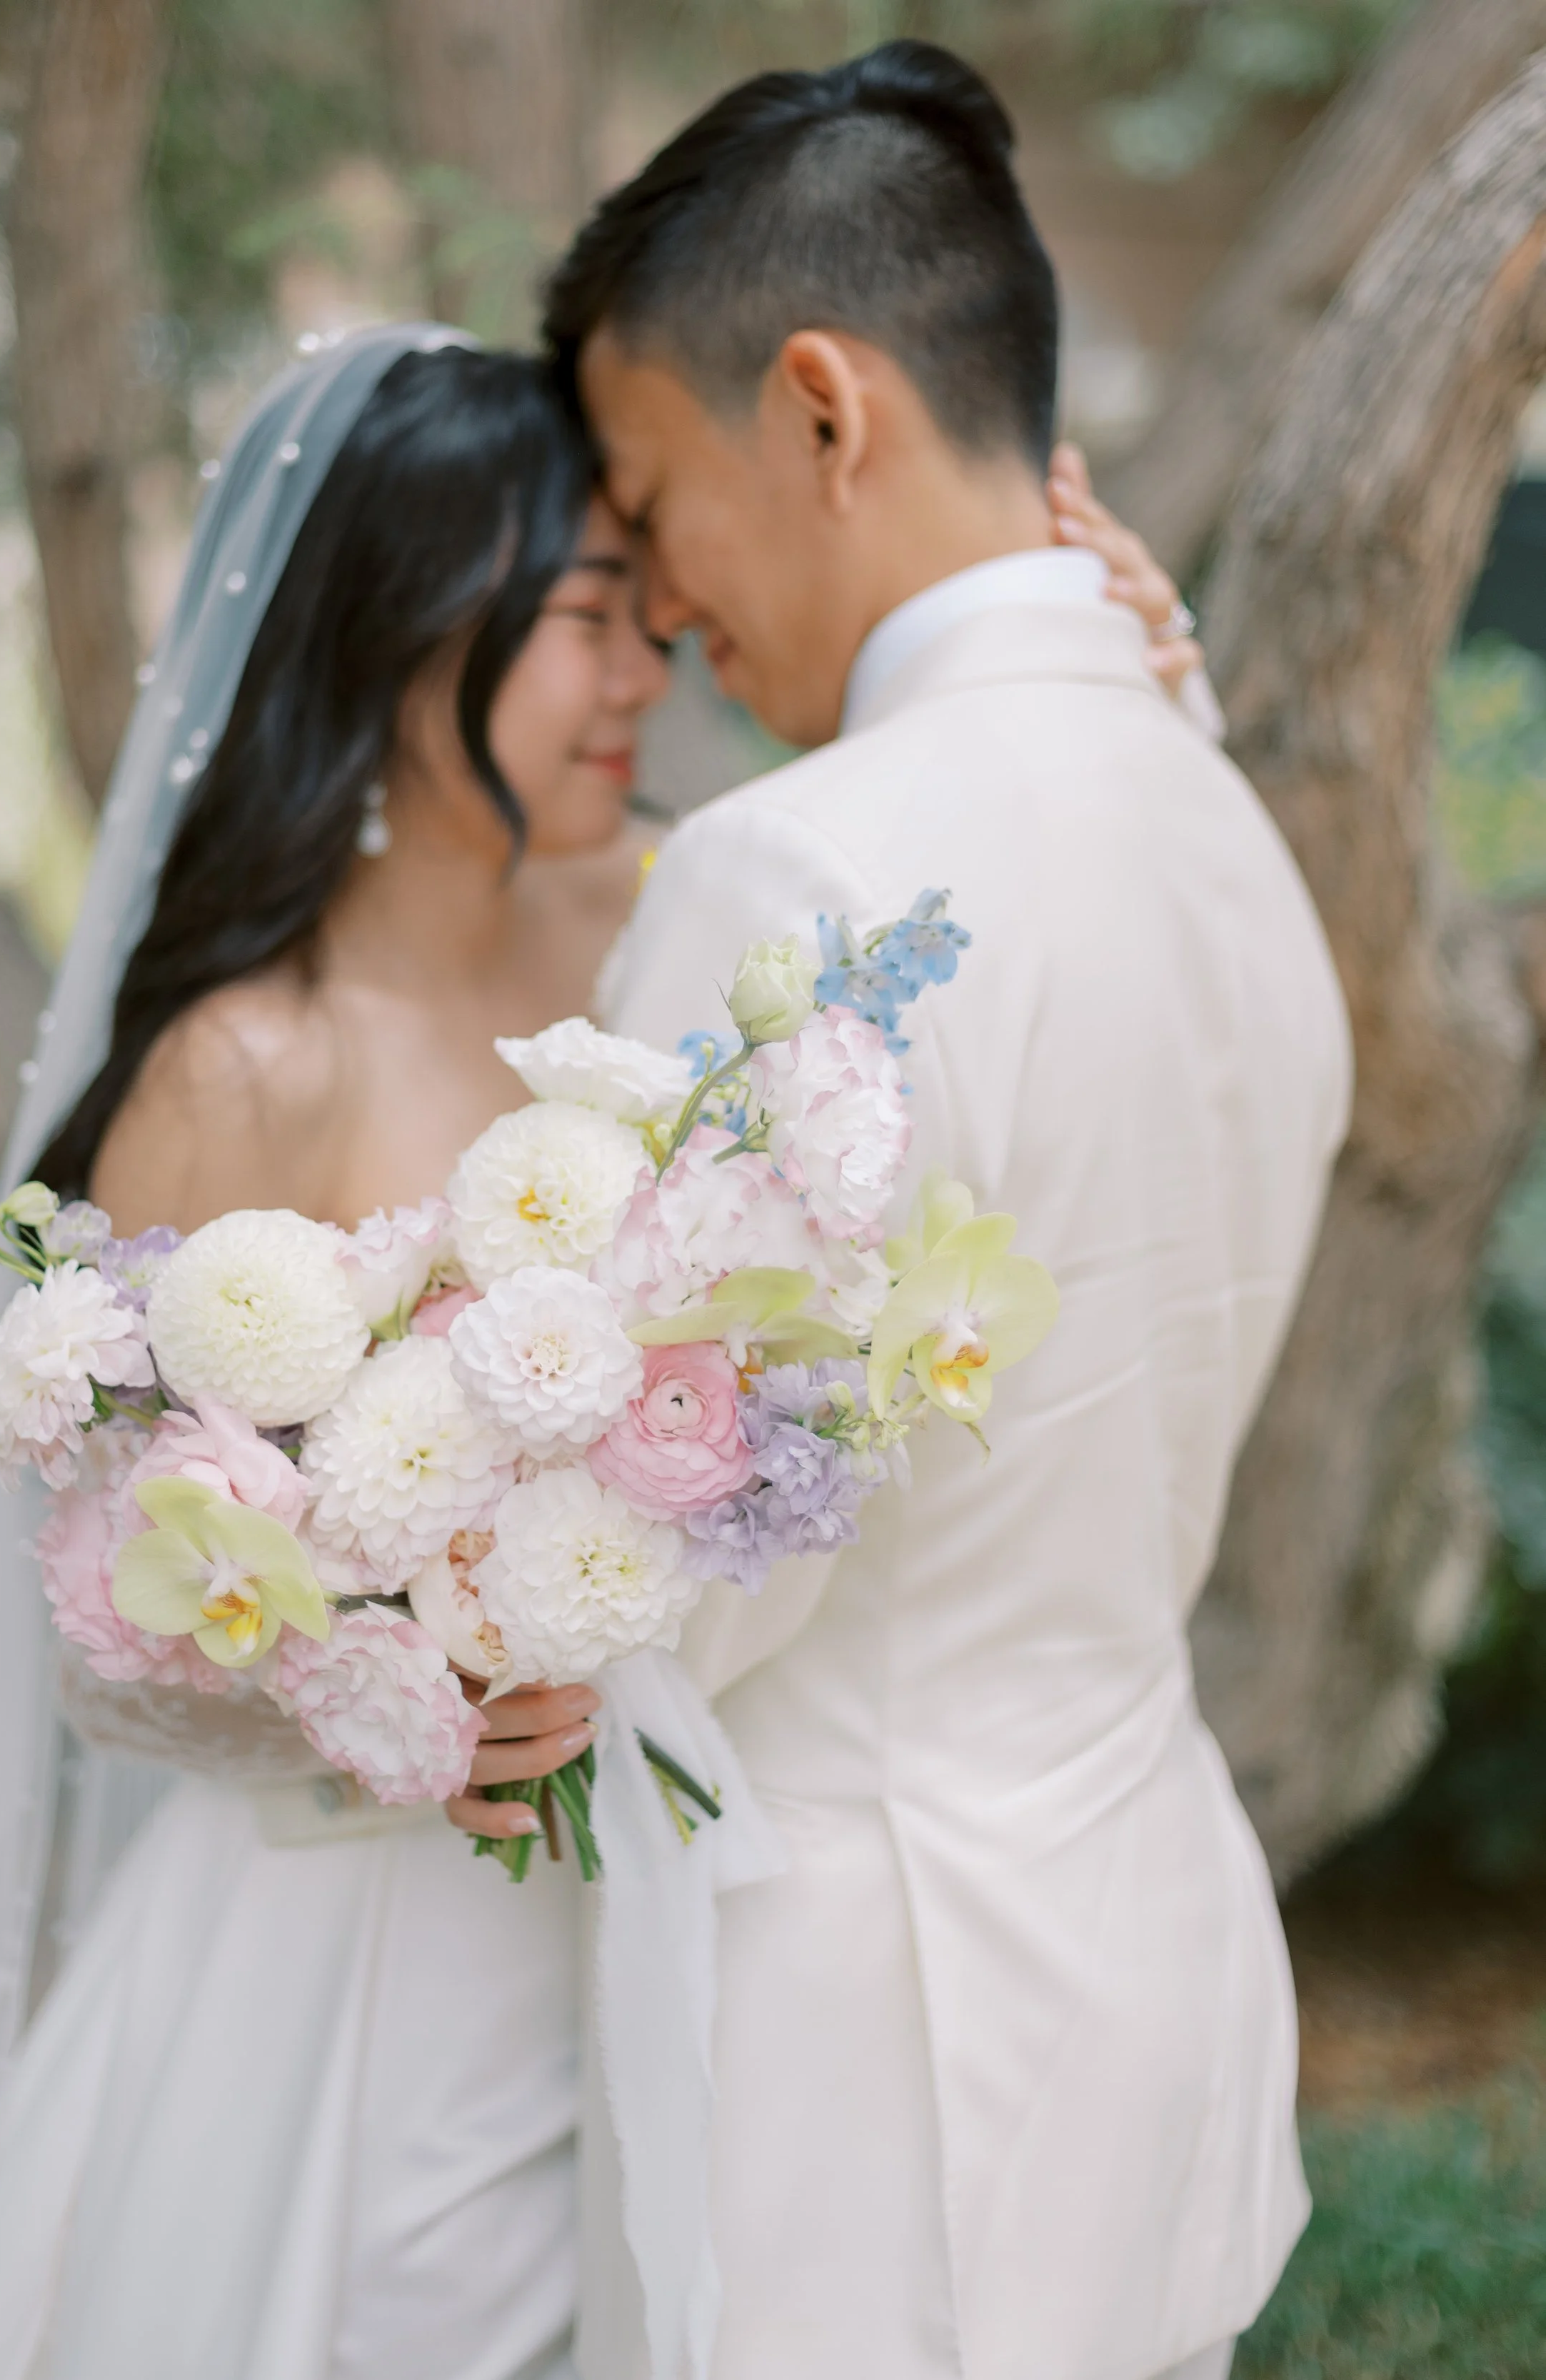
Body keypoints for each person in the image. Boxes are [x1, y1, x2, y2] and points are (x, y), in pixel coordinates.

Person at [545, 39, 1350, 2380]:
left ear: (817, 406)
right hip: (1141, 1947)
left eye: (648, 492)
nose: (664, 603)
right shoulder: (1228, 833)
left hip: (856, 2032)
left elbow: (708, 1553)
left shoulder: (796, 873)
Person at [0, 328, 655, 2380]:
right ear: (414, 623)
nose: (639, 681)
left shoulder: (674, 921)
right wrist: (380, 1683)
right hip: (346, 1960)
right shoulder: (241, 1064)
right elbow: (96, 1631)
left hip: (667, 1889)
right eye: (587, 620)